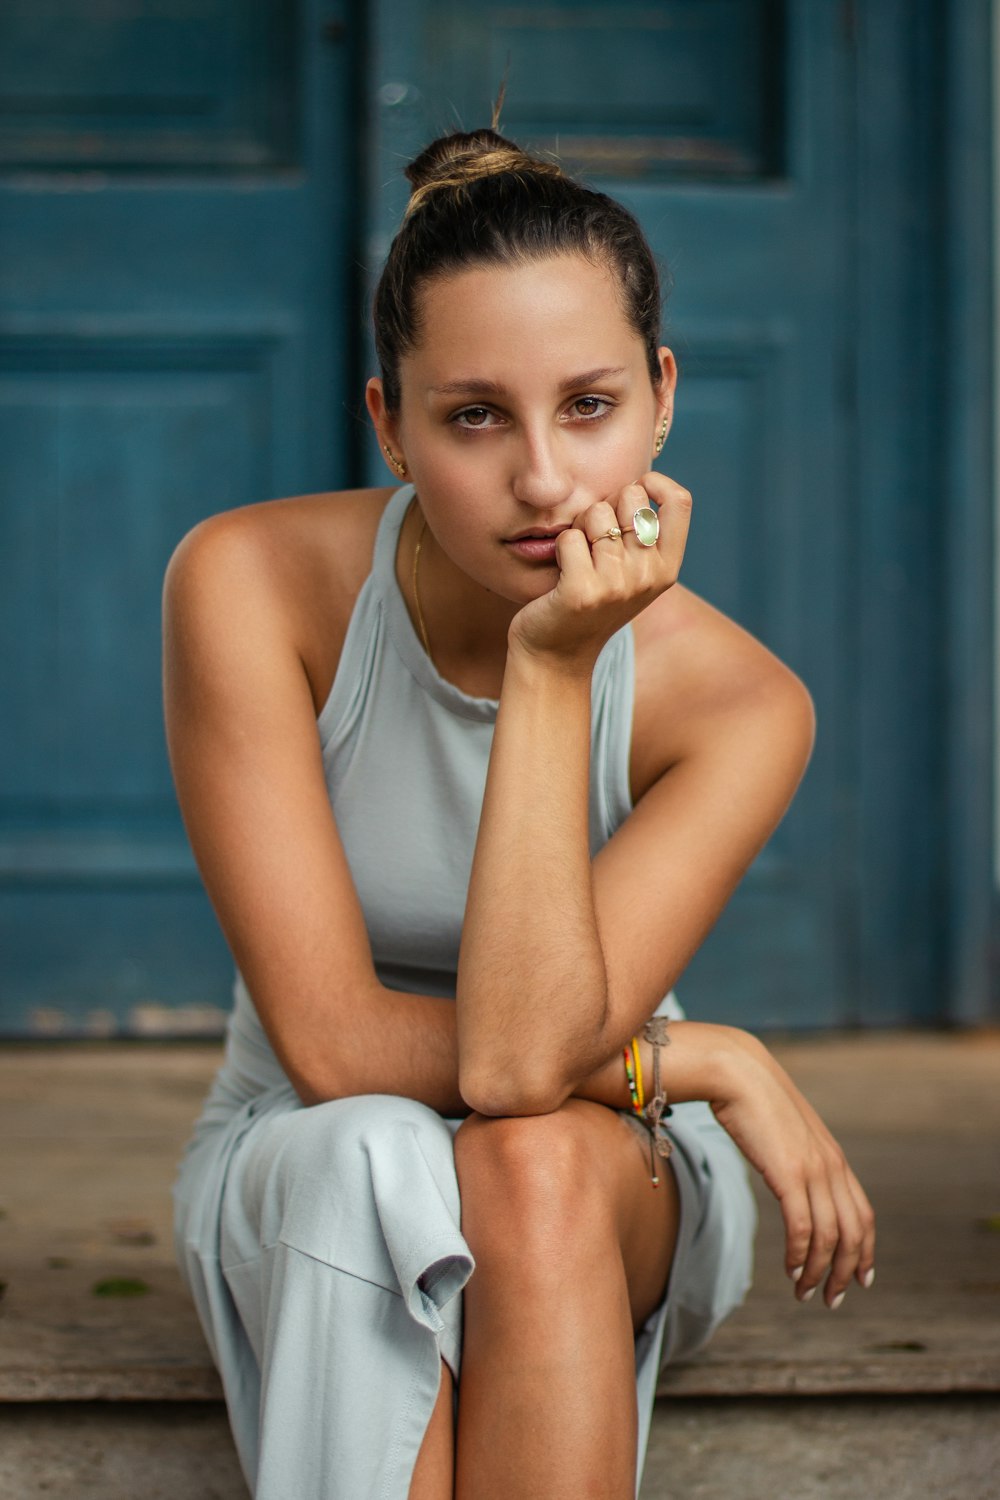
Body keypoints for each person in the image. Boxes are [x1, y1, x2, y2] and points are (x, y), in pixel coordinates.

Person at [165, 118, 876, 1500]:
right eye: (476, 415)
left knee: (534, 1160)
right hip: (307, 1152)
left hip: (613, 1170)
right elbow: (331, 1045)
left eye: (591, 407)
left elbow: (517, 1072)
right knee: (372, 1153)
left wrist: (554, 666)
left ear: (662, 398)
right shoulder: (247, 585)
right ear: (389, 422)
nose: (545, 482)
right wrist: (705, 1059)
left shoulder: (740, 707)